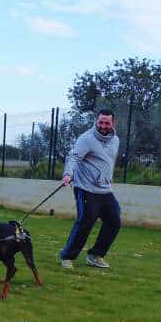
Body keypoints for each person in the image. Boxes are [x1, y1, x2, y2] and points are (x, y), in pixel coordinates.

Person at [59, 109, 121, 269]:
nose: (103, 125)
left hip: (105, 190)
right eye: (100, 122)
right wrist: (68, 174)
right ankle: (67, 256)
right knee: (85, 223)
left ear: (113, 123)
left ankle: (95, 255)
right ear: (96, 121)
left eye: (107, 122)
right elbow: (74, 158)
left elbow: (109, 161)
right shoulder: (86, 139)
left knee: (114, 222)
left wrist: (108, 176)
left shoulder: (115, 140)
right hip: (85, 189)